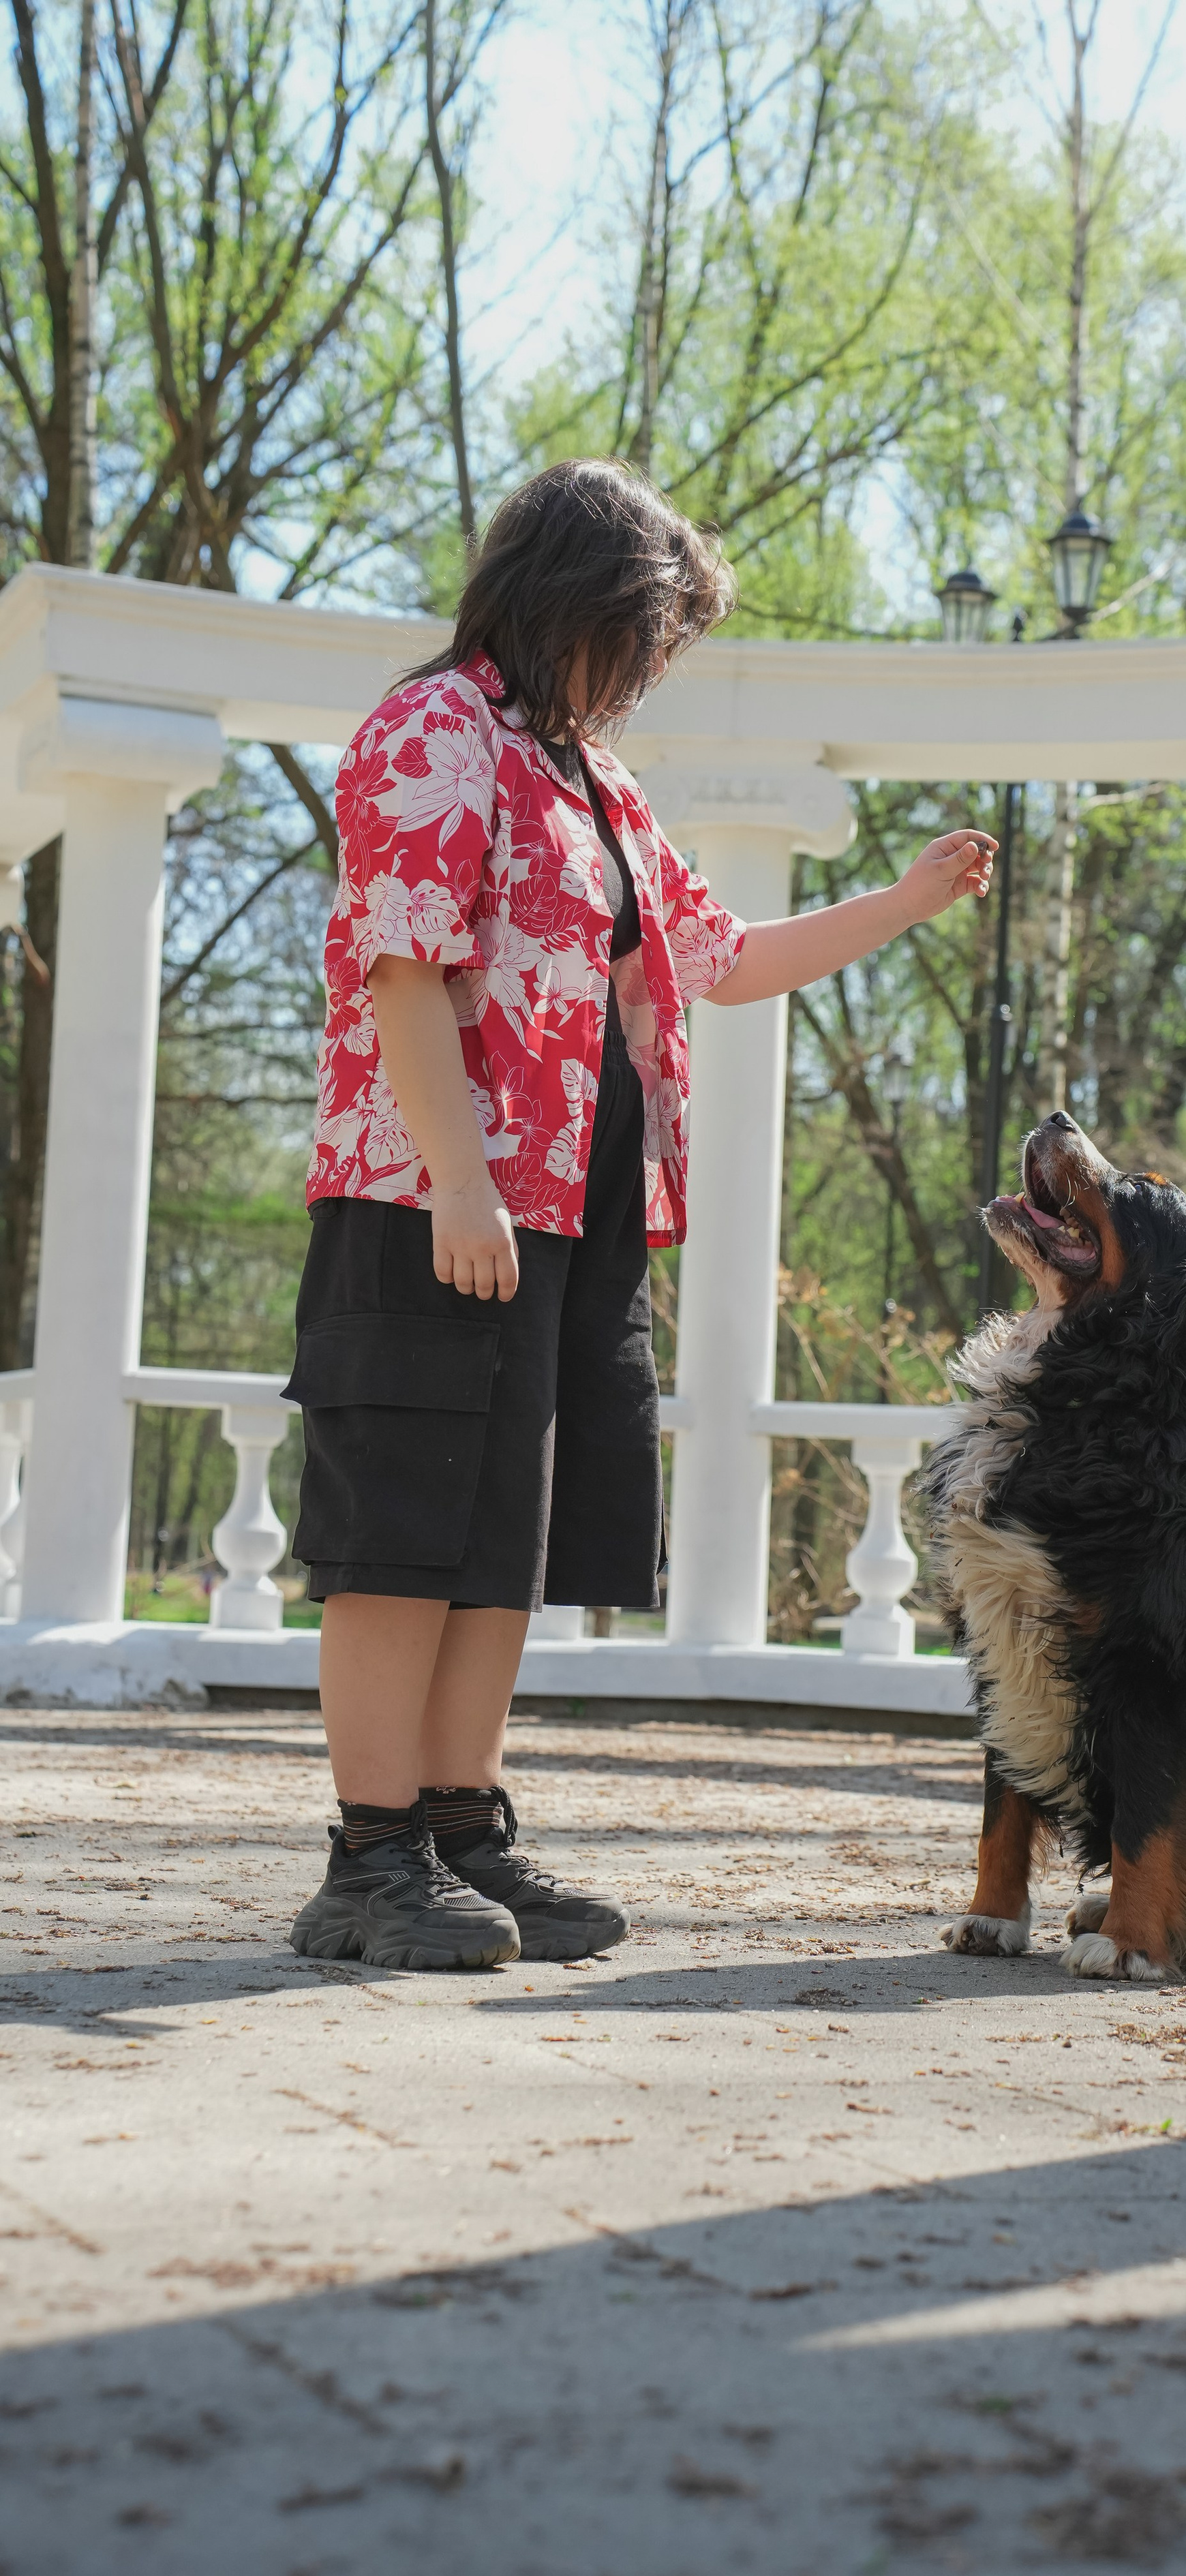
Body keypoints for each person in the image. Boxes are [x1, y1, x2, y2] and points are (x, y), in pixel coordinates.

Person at [284, 458, 992, 1971]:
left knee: (507, 1546)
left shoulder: (593, 781)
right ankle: (369, 1861)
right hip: (434, 1201)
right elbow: (402, 965)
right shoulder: (433, 729)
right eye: (647, 639)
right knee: (400, 1537)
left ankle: (462, 1834)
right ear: (570, 604)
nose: (652, 676)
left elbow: (719, 959)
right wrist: (461, 1179)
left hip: (578, 1216)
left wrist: (909, 898)